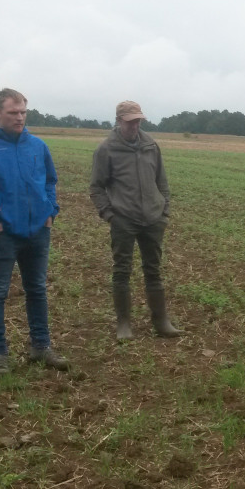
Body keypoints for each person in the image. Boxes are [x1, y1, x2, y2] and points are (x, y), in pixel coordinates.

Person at [0, 88, 68, 375]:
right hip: (1, 234)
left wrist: (49, 212)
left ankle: (41, 346)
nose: (19, 118)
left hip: (37, 231)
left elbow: (50, 181)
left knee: (37, 290)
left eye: (23, 112)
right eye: (13, 113)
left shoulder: (37, 146)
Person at [89, 100, 181, 340]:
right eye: (130, 121)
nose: (135, 125)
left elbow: (162, 181)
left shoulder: (151, 145)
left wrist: (164, 211)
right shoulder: (106, 149)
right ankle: (124, 324)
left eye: (138, 120)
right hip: (124, 219)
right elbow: (96, 188)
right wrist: (109, 215)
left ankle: (161, 322)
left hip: (153, 218)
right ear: (119, 121)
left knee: (153, 270)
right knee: (122, 271)